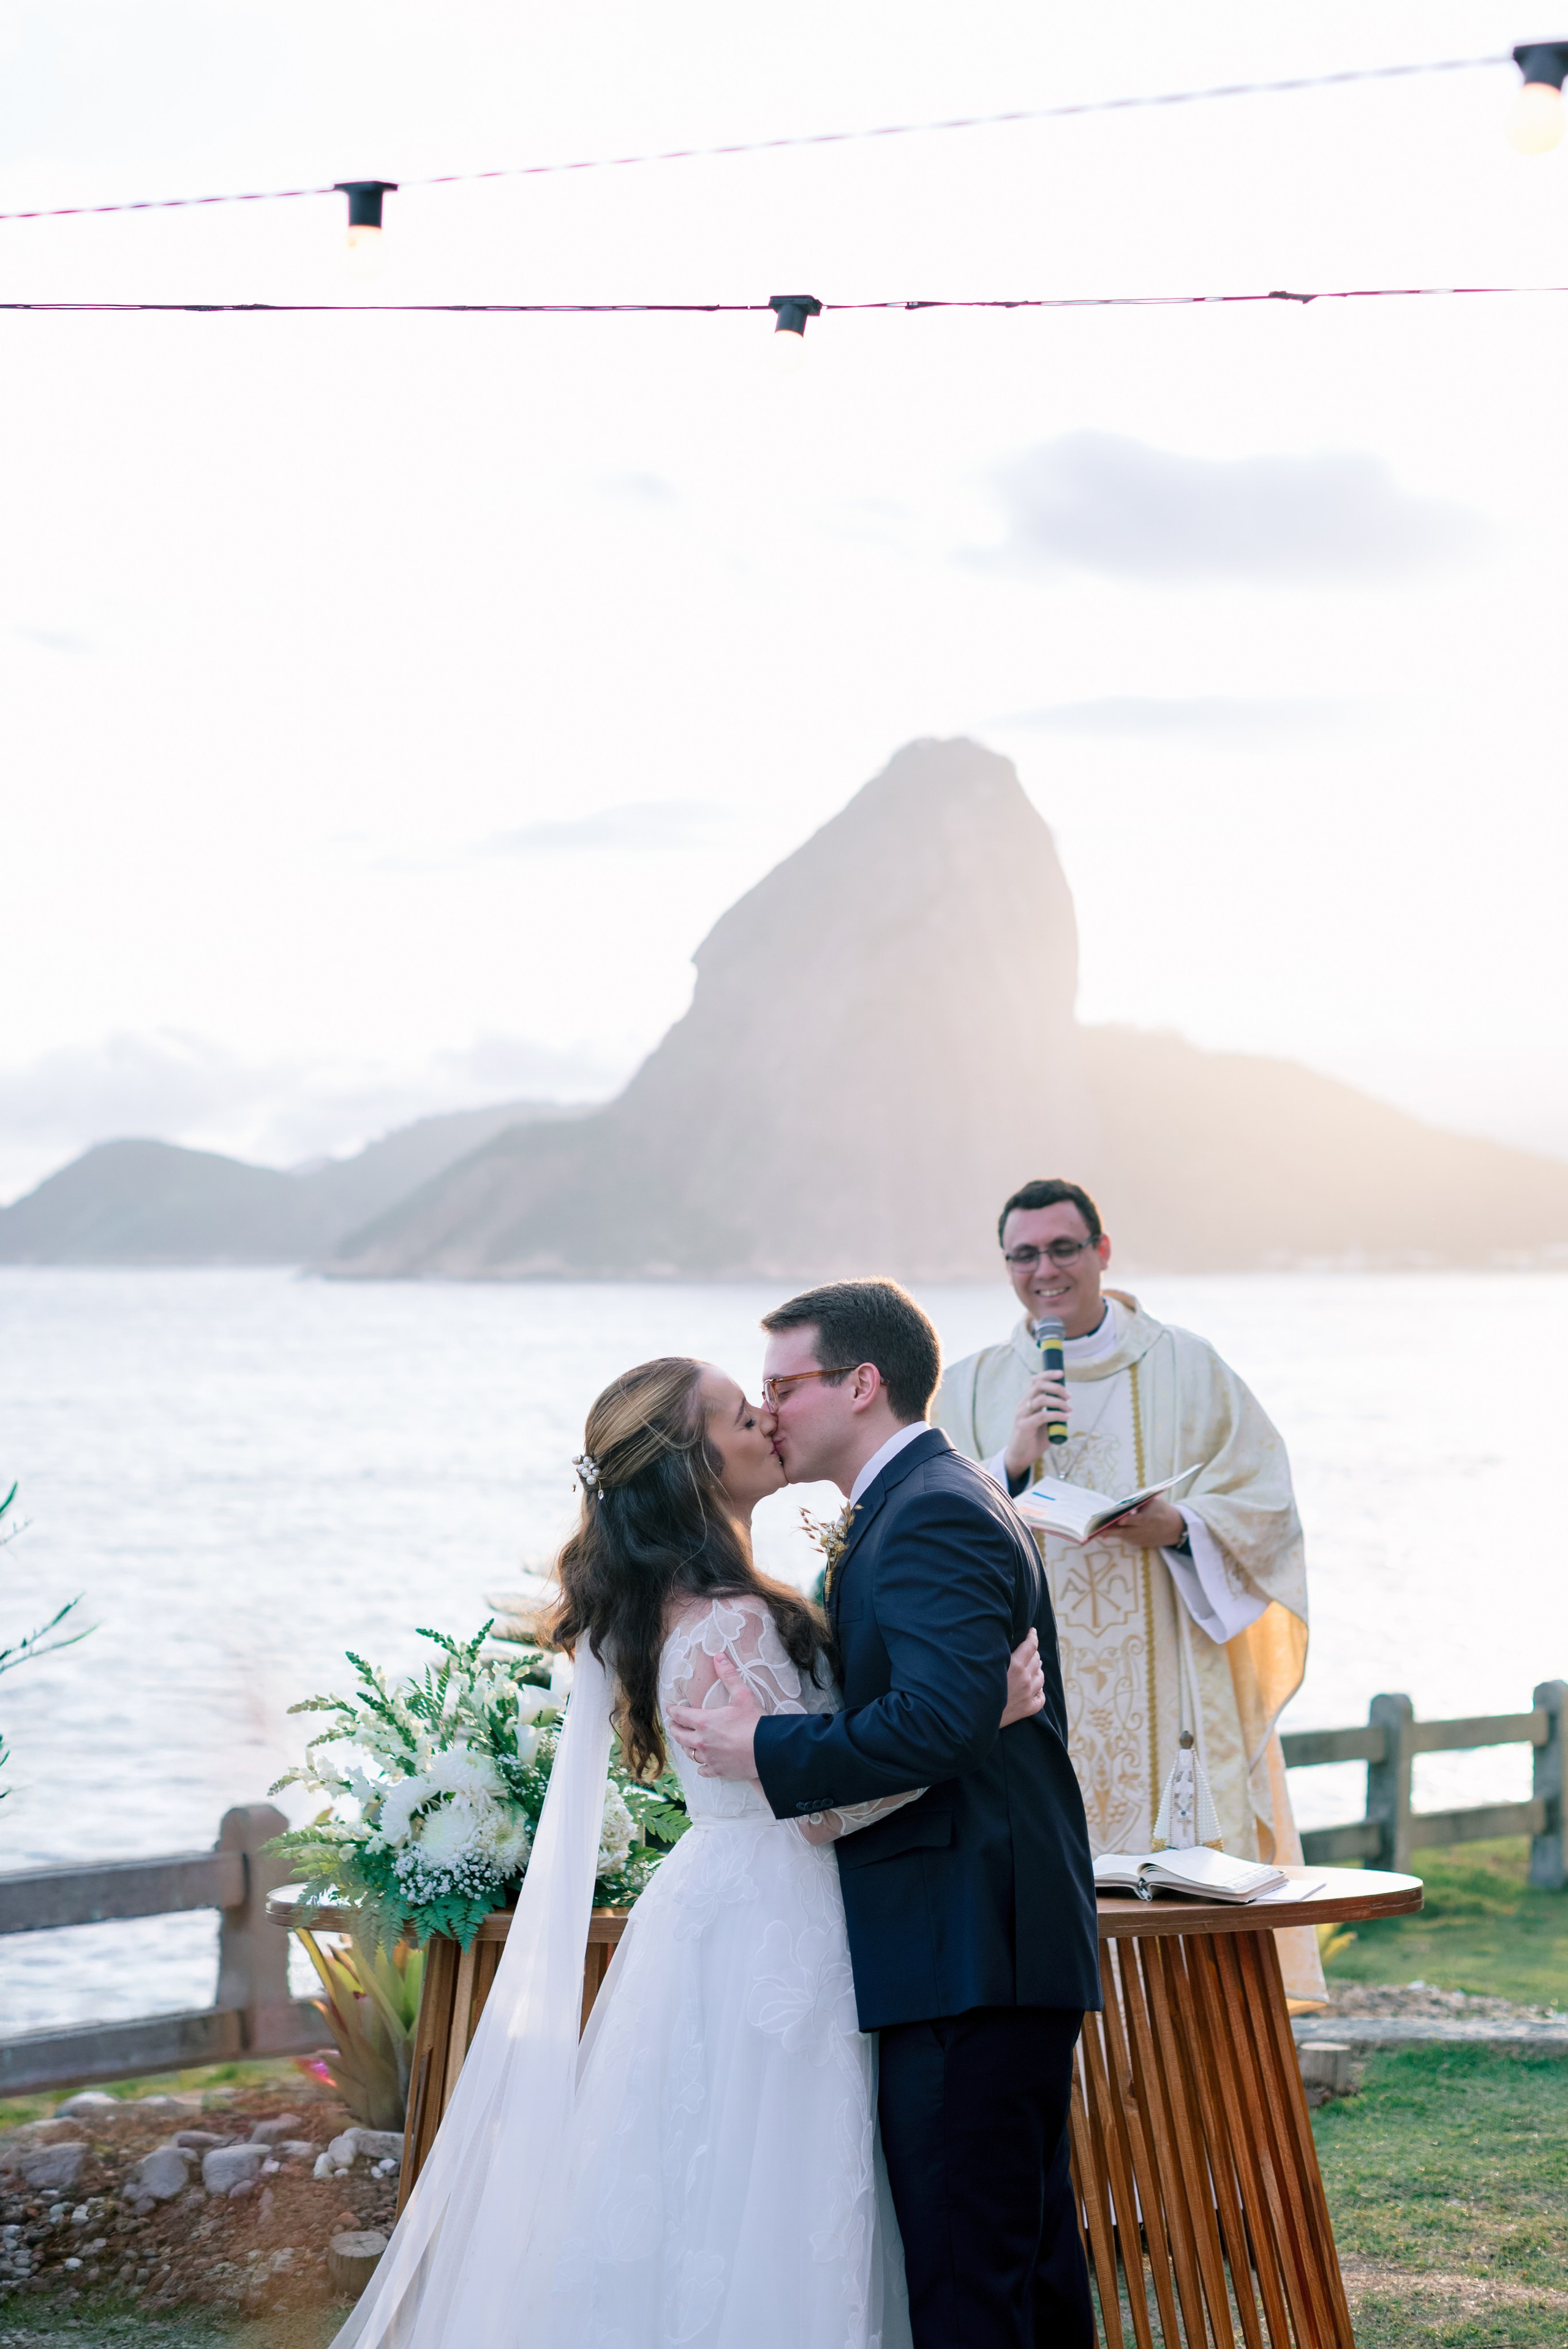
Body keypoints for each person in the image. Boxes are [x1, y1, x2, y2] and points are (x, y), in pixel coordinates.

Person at [333, 1352, 1046, 2349]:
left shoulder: (682, 1601)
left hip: (721, 1913)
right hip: (780, 1920)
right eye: (733, 1411)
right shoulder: (728, 1621)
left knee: (709, 2189)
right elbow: (815, 1810)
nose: (762, 1416)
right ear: (688, 1466)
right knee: (778, 2187)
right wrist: (982, 1717)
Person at [668, 1279, 1100, 2349]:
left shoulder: (932, 1511)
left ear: (861, 1384)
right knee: (1018, 2263)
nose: (768, 1412)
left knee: (970, 2282)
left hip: (969, 1945)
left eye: (783, 1384)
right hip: (975, 1939)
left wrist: (766, 1747)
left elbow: (941, 1722)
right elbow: (960, 1714)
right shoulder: (922, 1500)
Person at [933, 1175, 1324, 2004]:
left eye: (1064, 1248)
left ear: (1102, 1252)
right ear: (1005, 1265)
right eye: (1024, 1254)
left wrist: (1180, 1526)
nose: (1045, 1270)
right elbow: (932, 1535)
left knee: (1180, 1915)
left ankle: (1188, 2084)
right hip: (1035, 1694)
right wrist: (1006, 1464)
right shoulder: (971, 1387)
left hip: (1168, 1692)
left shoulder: (1188, 1365)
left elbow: (1268, 1502)